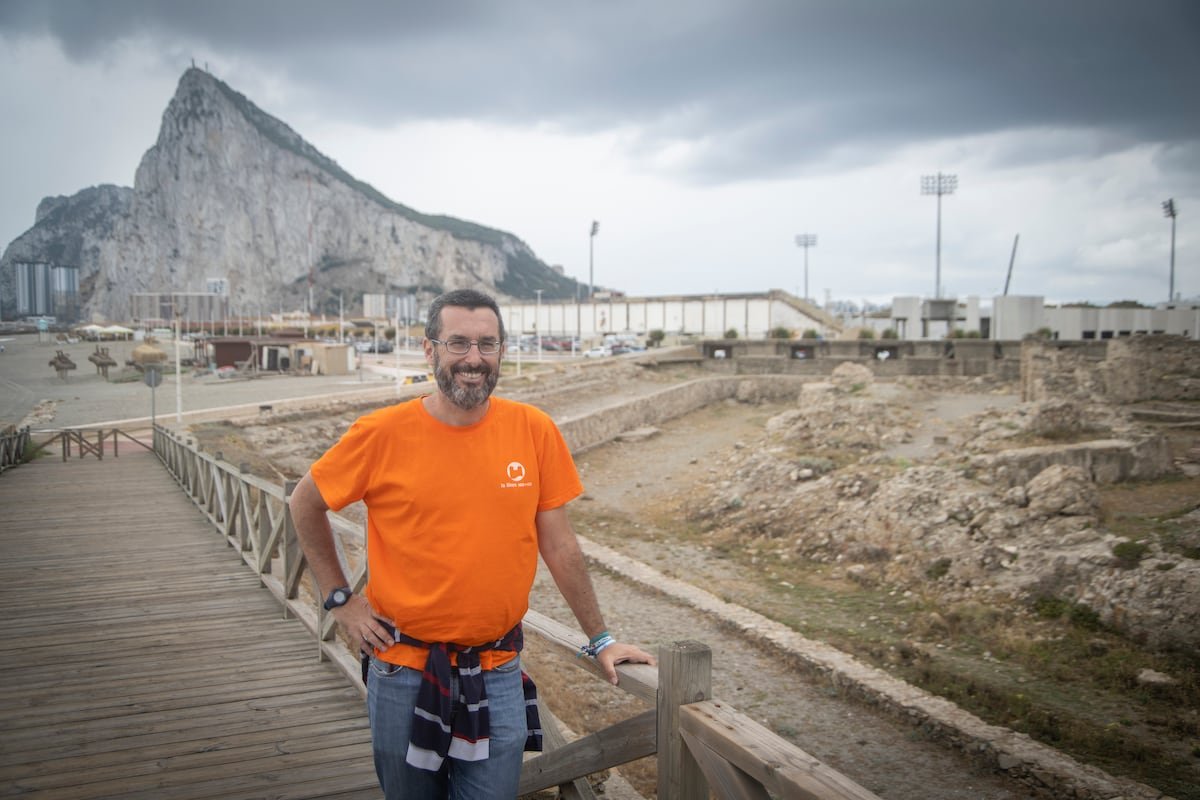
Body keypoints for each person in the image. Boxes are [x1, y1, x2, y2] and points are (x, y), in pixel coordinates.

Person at [289, 288, 655, 800]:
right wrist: (339, 600)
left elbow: (561, 547)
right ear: (430, 349)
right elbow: (304, 503)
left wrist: (601, 638)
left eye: (487, 344)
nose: (473, 359)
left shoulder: (533, 430)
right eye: (458, 343)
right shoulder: (381, 433)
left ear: (503, 351)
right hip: (401, 671)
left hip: (498, 670)